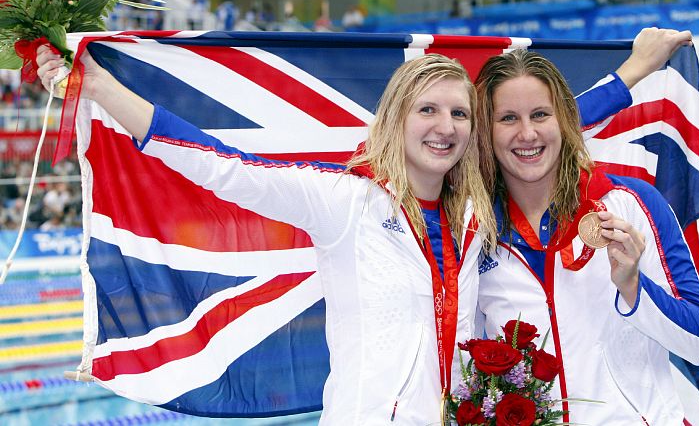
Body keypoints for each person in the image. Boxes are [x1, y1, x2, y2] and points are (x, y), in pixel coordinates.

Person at [36, 45, 496, 425]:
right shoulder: (346, 201)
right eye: (428, 110)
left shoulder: (474, 221)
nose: (446, 126)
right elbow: (224, 167)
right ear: (396, 118)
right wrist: (100, 88)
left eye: (459, 113)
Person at [474, 28, 699, 425]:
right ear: (486, 131)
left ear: (565, 120)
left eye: (540, 114)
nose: (527, 133)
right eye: (508, 118)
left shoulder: (631, 202)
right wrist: (633, 70)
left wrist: (634, 285)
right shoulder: (473, 229)